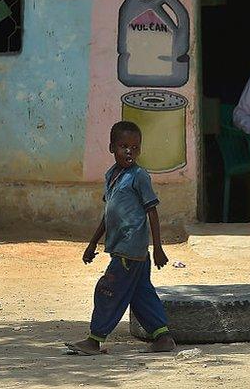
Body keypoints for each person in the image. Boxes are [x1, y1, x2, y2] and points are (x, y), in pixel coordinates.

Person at [66, 121, 176, 355]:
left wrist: (158, 247)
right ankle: (163, 337)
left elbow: (152, 211)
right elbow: (109, 214)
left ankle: (94, 340)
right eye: (123, 146)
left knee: (108, 289)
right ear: (111, 148)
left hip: (131, 248)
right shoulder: (112, 176)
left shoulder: (139, 176)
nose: (129, 151)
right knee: (141, 294)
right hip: (120, 247)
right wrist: (93, 242)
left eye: (135, 147)